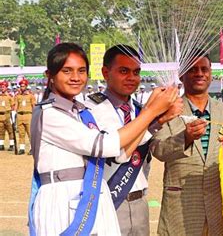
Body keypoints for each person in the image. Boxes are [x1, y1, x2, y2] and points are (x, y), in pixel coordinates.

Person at [29, 42, 179, 236]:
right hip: (62, 200)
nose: (76, 77)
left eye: (81, 71)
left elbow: (121, 154)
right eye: (67, 71)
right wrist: (151, 111)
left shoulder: (78, 112)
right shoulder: (51, 114)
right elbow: (106, 145)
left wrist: (155, 120)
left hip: (90, 197)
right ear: (50, 75)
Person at [86, 44, 183, 236]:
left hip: (140, 203)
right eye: (123, 71)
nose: (132, 78)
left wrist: (161, 119)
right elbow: (119, 152)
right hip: (109, 200)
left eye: (136, 72)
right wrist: (154, 114)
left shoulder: (139, 110)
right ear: (106, 72)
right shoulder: (91, 109)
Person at [152, 51, 223, 236]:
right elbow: (158, 150)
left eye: (204, 69)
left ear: (211, 73)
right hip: (181, 206)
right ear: (181, 75)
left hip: (220, 207)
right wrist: (184, 138)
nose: (199, 73)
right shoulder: (166, 111)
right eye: (193, 69)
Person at [15, 78, 35, 155]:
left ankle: (32, 148)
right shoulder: (18, 96)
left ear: (26, 86)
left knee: (30, 133)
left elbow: (34, 106)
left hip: (28, 115)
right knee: (21, 133)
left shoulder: (31, 96)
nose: (22, 87)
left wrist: (35, 116)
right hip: (20, 115)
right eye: (21, 86)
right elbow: (16, 106)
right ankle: (22, 148)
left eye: (23, 86)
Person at [0, 80, 15, 151]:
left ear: (6, 88)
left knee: (10, 130)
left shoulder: (10, 96)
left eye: (3, 87)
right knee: (1, 131)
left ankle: (11, 145)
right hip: (0, 115)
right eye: (1, 87)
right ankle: (1, 145)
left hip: (7, 115)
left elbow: (13, 106)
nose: (1, 88)